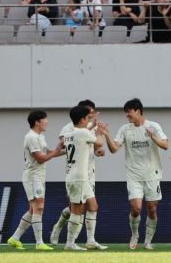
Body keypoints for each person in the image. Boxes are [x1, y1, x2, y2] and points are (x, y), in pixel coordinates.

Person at [106, 98, 168, 250]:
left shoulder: (153, 126)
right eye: (126, 113)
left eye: (129, 112)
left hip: (152, 174)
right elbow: (114, 149)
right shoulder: (125, 129)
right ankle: (134, 234)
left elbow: (166, 145)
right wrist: (107, 134)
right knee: (136, 208)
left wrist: (154, 138)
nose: (127, 115)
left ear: (138, 111)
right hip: (133, 175)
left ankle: (148, 241)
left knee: (152, 209)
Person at [49, 100, 107, 250]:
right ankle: (70, 243)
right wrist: (101, 132)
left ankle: (90, 240)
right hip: (79, 176)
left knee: (93, 206)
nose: (90, 117)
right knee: (77, 210)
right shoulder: (82, 132)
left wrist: (92, 127)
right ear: (82, 118)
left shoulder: (70, 133)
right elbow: (99, 142)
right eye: (88, 116)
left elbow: (75, 145)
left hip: (80, 174)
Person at [6, 110, 63, 251]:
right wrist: (57, 150)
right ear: (37, 122)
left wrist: (66, 150)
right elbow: (40, 158)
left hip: (38, 176)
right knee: (39, 207)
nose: (47, 122)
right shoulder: (31, 137)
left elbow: (48, 153)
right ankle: (39, 243)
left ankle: (14, 238)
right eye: (45, 119)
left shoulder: (40, 136)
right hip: (33, 177)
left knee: (33, 210)